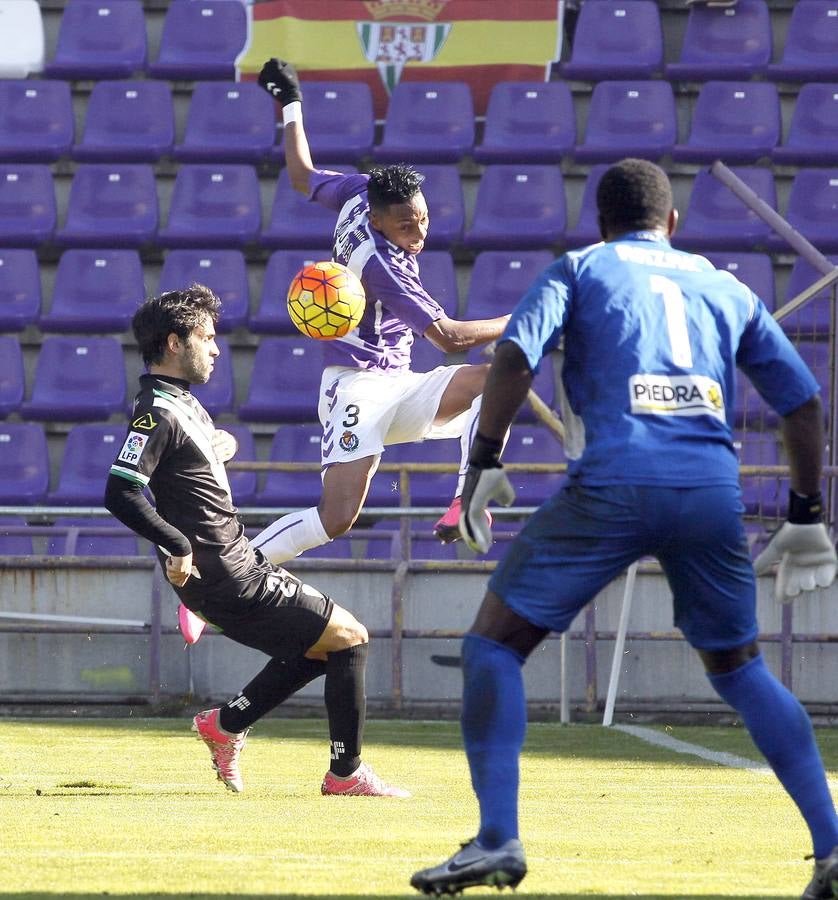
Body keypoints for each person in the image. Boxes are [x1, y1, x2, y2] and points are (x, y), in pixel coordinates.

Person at [410, 158, 838, 897]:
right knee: (741, 669)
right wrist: (806, 513)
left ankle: (496, 839)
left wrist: (482, 461)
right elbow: (801, 404)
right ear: (672, 224)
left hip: (613, 481)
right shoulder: (721, 283)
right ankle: (833, 848)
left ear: (600, 223)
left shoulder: (579, 268)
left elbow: (514, 352)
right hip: (709, 490)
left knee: (493, 646)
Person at [104, 285, 408, 798]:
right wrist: (177, 544)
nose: (217, 349)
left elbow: (195, 455)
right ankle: (345, 774)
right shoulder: (157, 411)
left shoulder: (182, 405)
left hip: (235, 564)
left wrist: (225, 445)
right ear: (175, 343)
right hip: (224, 573)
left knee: (320, 649)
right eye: (207, 337)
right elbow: (121, 491)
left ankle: (225, 726)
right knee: (351, 638)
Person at [250, 58, 511, 566]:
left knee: (498, 377)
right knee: (336, 518)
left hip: (400, 380)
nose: (419, 236)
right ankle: (216, 583)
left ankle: (467, 498)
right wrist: (526, 316)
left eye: (423, 220)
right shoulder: (383, 268)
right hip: (356, 386)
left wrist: (291, 105)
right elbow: (451, 338)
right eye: (406, 227)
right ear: (377, 219)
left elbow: (302, 177)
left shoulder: (360, 191)